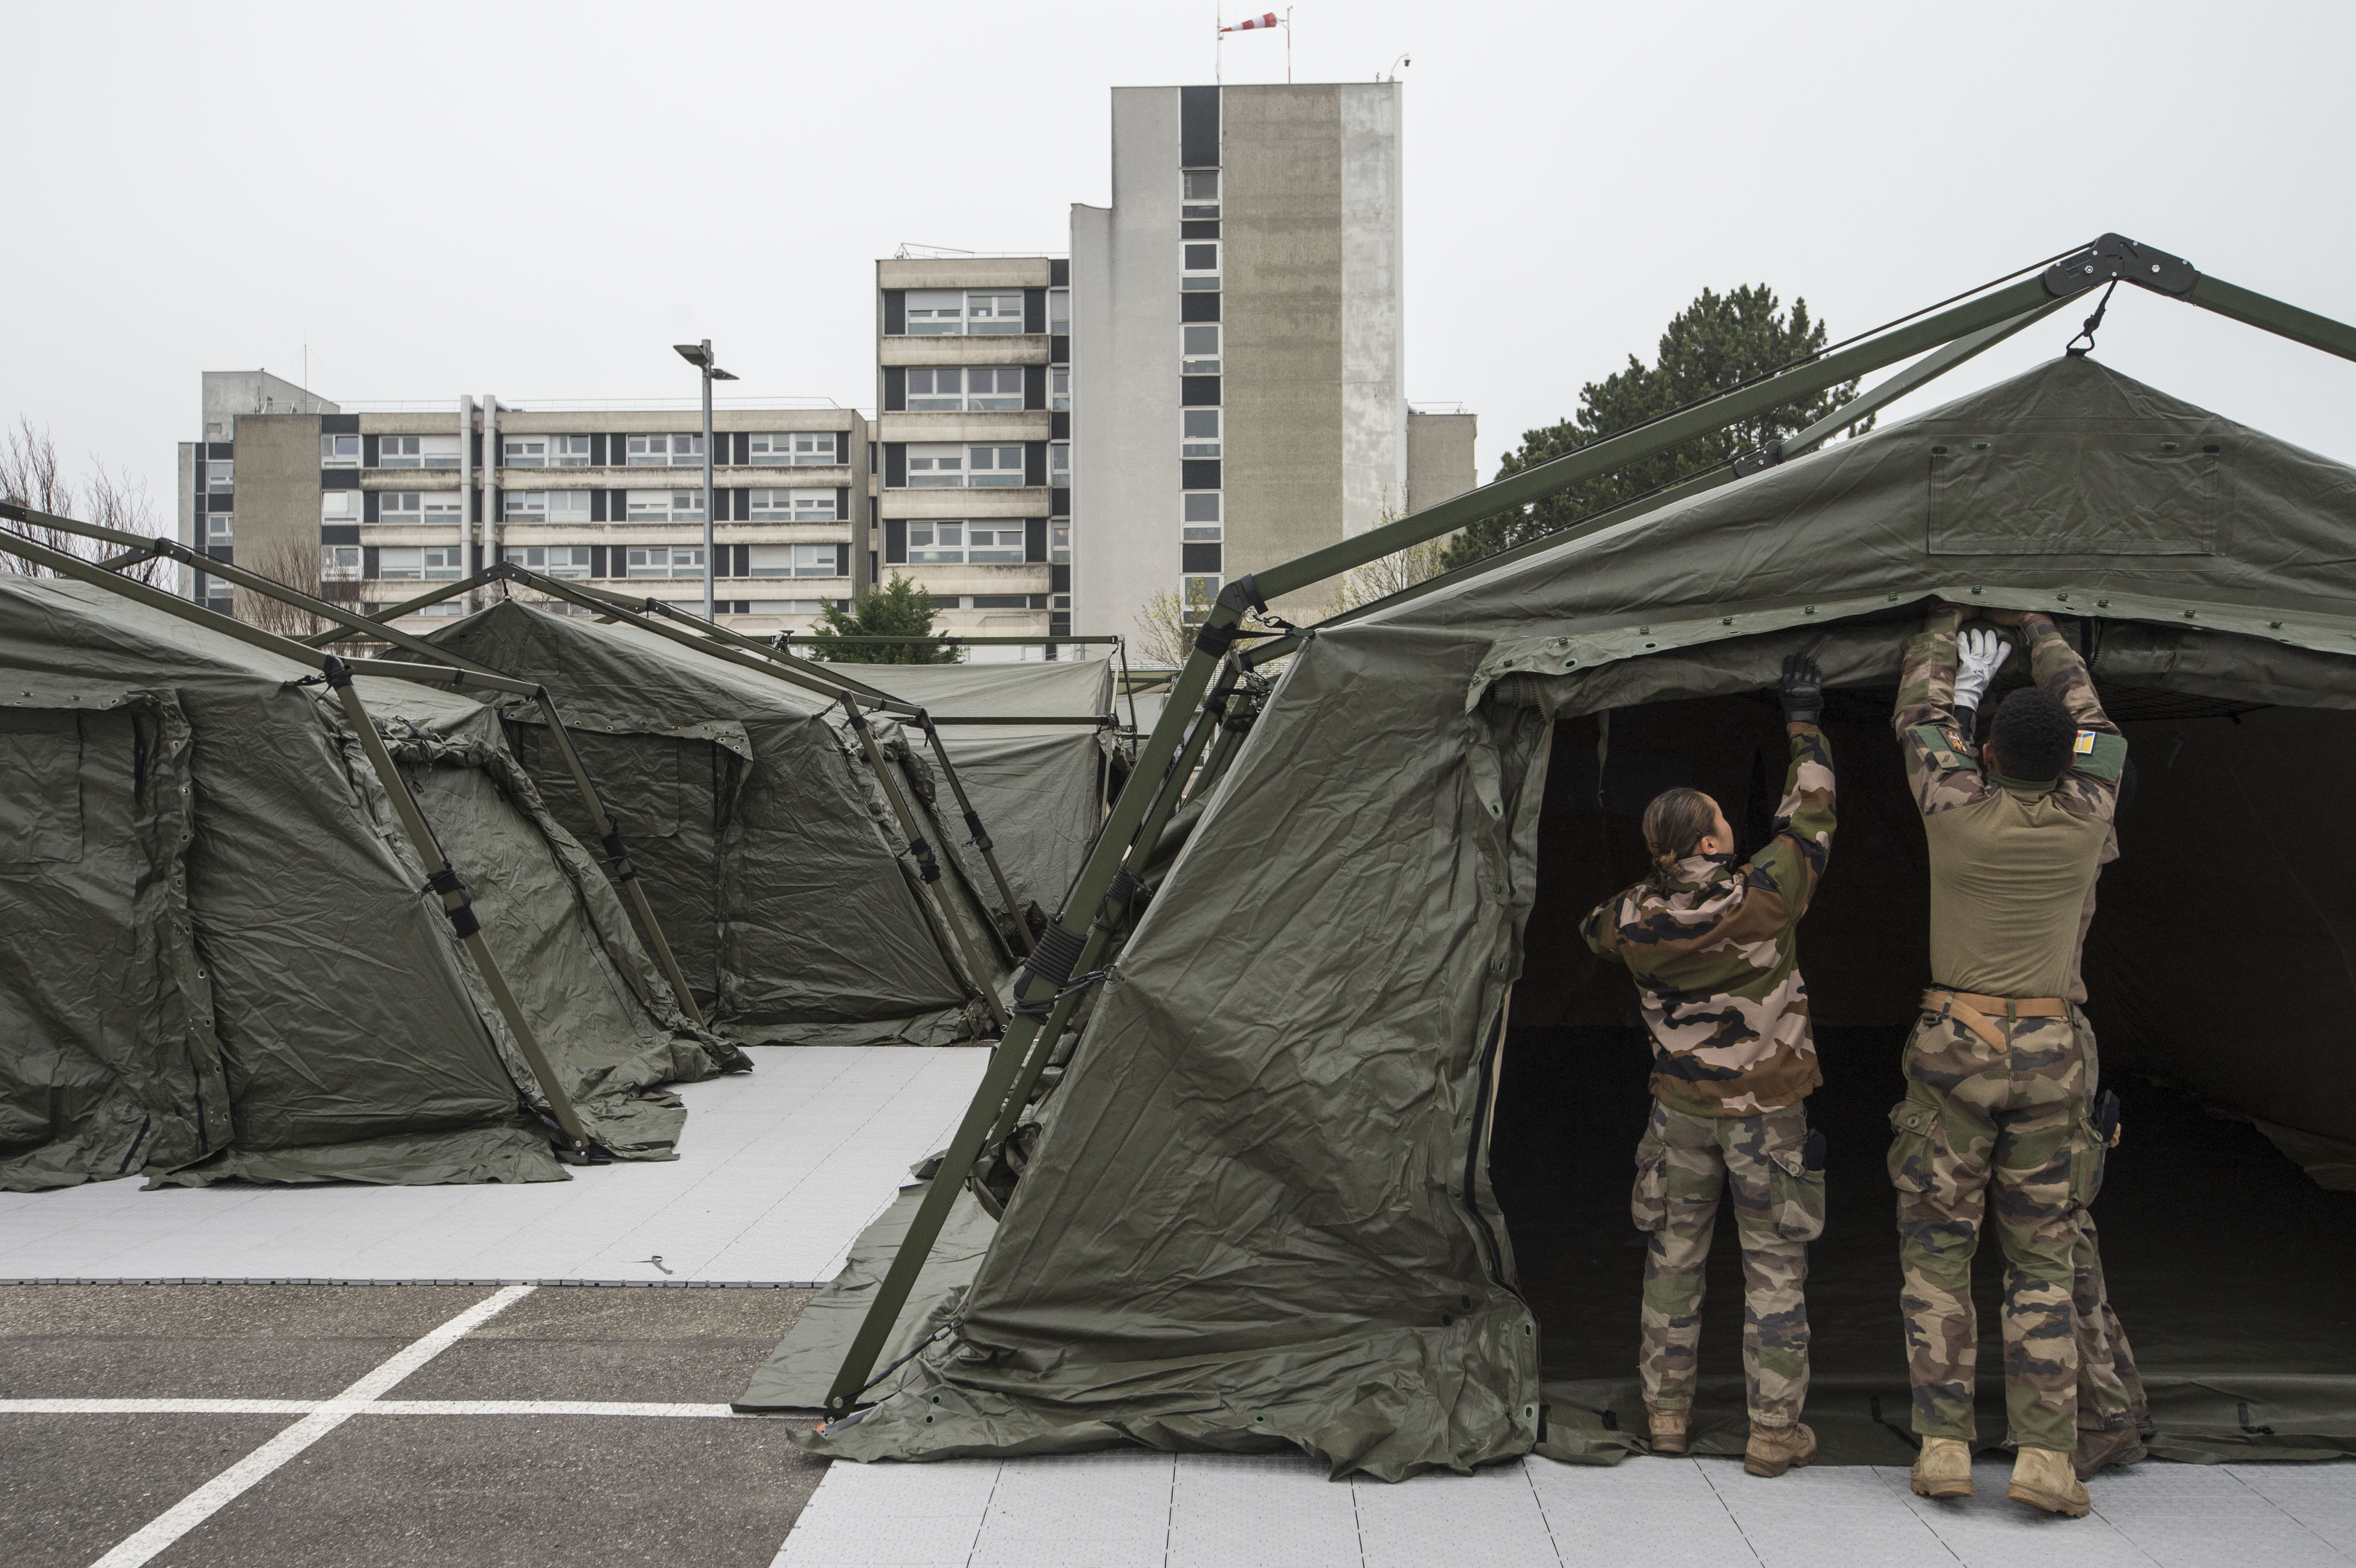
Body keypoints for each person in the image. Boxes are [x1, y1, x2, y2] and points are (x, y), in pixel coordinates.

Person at [1888, 604, 2136, 1517]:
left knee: (1937, 1253)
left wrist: (1945, 630)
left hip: (1953, 1046)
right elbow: (2100, 724)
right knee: (2041, 1261)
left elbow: (1921, 715)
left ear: (1985, 756)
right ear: (2069, 760)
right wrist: (2040, 627)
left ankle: (1945, 1447)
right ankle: (2043, 1459)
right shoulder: (2088, 813)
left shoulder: (1955, 807)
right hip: (2051, 1052)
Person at [1582, 652, 1834, 1479]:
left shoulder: (1627, 919)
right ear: (1709, 841)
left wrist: (1652, 888)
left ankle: (1666, 1419)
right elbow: (1812, 818)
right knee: (1774, 1272)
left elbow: (1593, 928)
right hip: (1767, 1117)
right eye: (1725, 819)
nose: (1736, 826)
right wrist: (1803, 722)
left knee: (1673, 1261)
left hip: (1680, 1116)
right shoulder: (1765, 891)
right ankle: (1771, 1433)